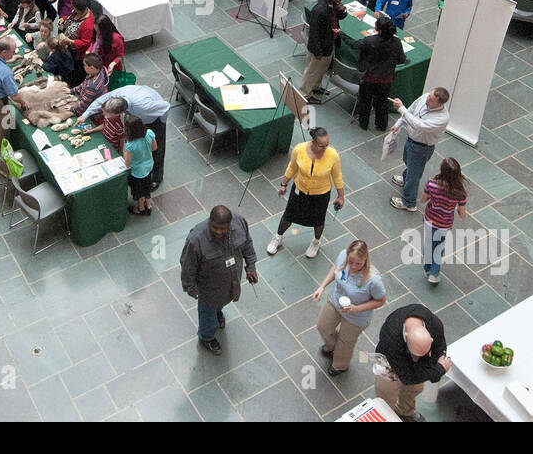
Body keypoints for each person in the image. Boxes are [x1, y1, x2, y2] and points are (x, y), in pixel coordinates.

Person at [179, 206, 258, 356]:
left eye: (224, 229)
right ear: (210, 220)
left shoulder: (240, 222)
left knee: (220, 304)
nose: (219, 232)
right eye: (215, 227)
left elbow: (247, 244)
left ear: (230, 224)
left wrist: (251, 266)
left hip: (231, 283)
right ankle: (206, 337)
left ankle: (217, 312)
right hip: (208, 289)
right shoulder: (196, 239)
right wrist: (191, 288)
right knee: (207, 312)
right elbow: (187, 266)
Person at [267, 127, 345, 258]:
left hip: (321, 194)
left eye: (327, 145)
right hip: (300, 189)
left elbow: (337, 176)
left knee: (319, 220)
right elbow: (292, 167)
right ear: (313, 142)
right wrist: (283, 184)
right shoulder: (299, 149)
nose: (325, 148)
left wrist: (341, 196)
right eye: (321, 145)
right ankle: (278, 238)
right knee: (288, 215)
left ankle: (316, 242)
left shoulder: (333, 155)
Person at [313, 240, 387, 376]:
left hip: (356, 316)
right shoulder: (343, 255)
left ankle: (340, 365)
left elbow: (381, 300)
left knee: (345, 342)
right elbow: (335, 268)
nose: (353, 266)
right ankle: (332, 346)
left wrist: (356, 309)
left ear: (365, 260)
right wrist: (322, 286)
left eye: (358, 263)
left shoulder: (373, 280)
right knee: (322, 325)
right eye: (350, 261)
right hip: (335, 302)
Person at [76, 85, 169, 187]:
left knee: (157, 149)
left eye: (108, 115)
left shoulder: (144, 106)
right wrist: (85, 115)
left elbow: (165, 107)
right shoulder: (118, 95)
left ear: (120, 113)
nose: (105, 117)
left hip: (154, 118)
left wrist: (161, 121)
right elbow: (100, 101)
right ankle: (137, 168)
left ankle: (156, 178)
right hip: (137, 118)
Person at [373, 304, 450, 421]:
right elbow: (407, 377)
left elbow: (440, 348)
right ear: (406, 337)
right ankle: (387, 417)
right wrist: (438, 370)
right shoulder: (391, 336)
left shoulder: (434, 324)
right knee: (386, 396)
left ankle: (405, 413)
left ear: (431, 338)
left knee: (415, 389)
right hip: (390, 363)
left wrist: (438, 362)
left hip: (416, 362)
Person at [389, 88, 452, 212]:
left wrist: (401, 108)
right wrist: (398, 124)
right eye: (429, 96)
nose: (427, 99)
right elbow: (410, 111)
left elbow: (418, 125)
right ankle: (406, 179)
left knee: (414, 174)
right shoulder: (425, 97)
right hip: (411, 140)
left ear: (440, 104)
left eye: (431, 100)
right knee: (408, 163)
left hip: (421, 148)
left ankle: (409, 202)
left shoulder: (442, 118)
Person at [421, 158, 468, 284]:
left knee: (428, 244)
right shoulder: (460, 192)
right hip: (444, 224)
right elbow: (462, 214)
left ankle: (426, 269)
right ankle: (434, 274)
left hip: (429, 220)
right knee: (439, 247)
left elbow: (423, 200)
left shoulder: (431, 183)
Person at [357, 18, 404, 132]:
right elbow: (401, 59)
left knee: (365, 100)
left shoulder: (369, 41)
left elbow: (360, 53)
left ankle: (363, 123)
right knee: (382, 102)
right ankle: (381, 125)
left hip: (370, 78)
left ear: (378, 29)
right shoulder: (396, 42)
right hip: (386, 79)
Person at [302, 0, 342, 101]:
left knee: (321, 69)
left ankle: (316, 87)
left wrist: (342, 10)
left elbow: (338, 18)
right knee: (312, 71)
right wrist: (318, 52)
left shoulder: (333, 5)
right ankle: (305, 94)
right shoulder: (320, 10)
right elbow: (314, 33)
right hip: (320, 48)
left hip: (328, 43)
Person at [123, 115, 158, 216]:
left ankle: (141, 209)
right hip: (148, 166)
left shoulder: (130, 145)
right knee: (147, 186)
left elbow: (127, 163)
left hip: (137, 171)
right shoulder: (150, 133)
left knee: (139, 191)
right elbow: (154, 148)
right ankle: (149, 205)